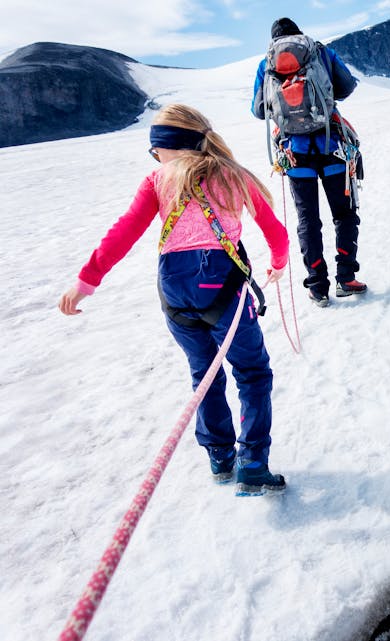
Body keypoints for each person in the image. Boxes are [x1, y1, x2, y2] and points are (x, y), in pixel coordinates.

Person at [58, 103, 290, 497]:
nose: (154, 157)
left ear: (167, 147)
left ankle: (219, 456)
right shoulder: (235, 176)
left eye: (155, 150)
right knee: (251, 371)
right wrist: (278, 266)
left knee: (204, 371)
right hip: (223, 286)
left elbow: (124, 232)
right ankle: (253, 464)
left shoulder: (157, 180)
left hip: (174, 290)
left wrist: (86, 281)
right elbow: (276, 232)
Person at [251, 17, 367, 307]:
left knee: (308, 221)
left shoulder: (266, 65)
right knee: (345, 214)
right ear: (299, 33)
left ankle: (317, 287)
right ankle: (346, 278)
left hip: (294, 153)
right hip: (333, 147)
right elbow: (347, 86)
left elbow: (258, 110)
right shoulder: (319, 51)